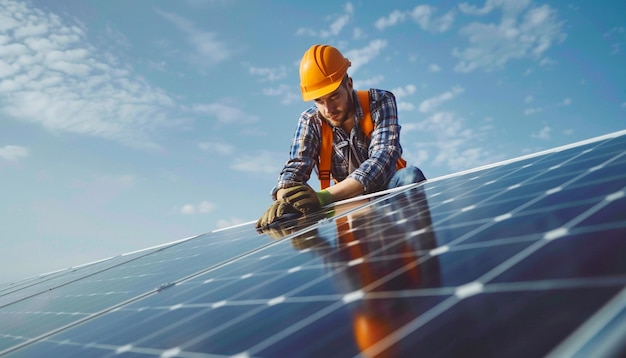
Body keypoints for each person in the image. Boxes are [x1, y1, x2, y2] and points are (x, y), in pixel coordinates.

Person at [256, 44, 426, 228]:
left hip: (388, 193)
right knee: (291, 211)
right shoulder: (311, 121)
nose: (328, 109)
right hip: (346, 204)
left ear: (349, 84)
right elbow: (294, 172)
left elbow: (382, 159)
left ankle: (420, 249)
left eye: (333, 96)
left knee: (410, 177)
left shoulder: (380, 102)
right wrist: (284, 198)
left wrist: (323, 197)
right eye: (319, 101)